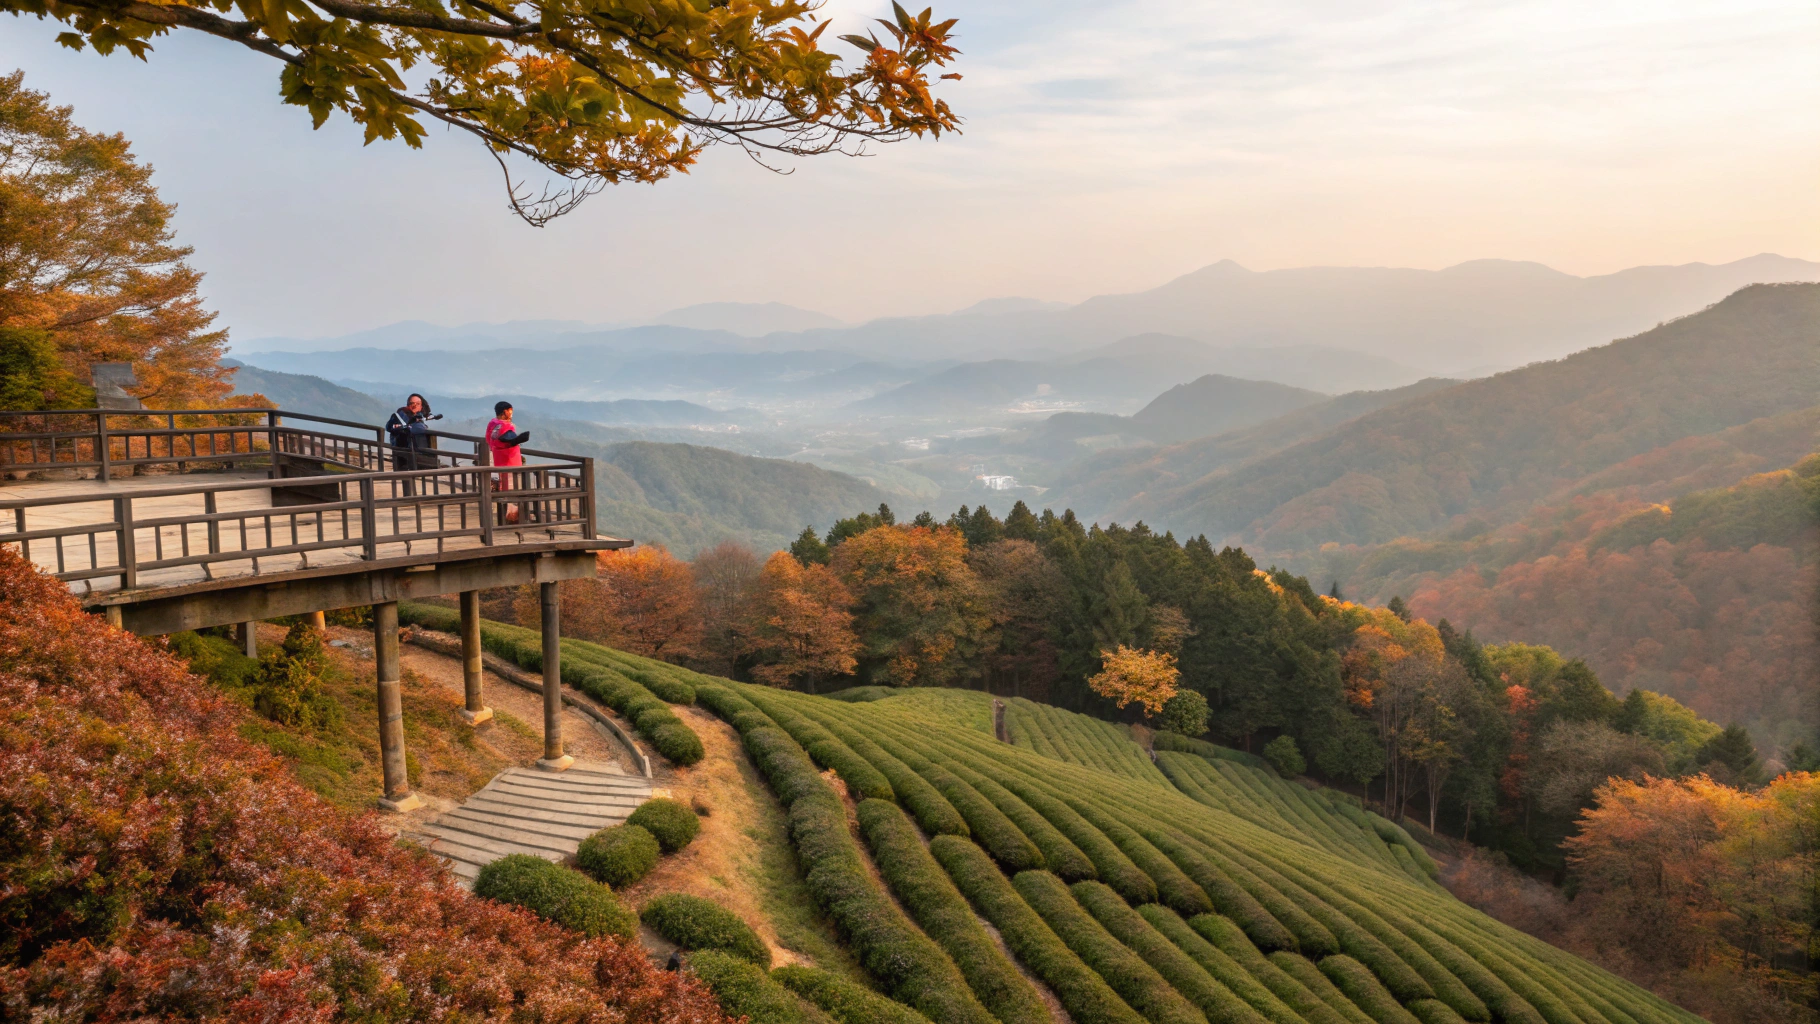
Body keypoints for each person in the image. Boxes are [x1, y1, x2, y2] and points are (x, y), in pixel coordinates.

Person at [484, 401, 531, 524]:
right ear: (505, 411)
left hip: (498, 459)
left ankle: (503, 517)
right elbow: (509, 440)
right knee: (512, 490)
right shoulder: (507, 426)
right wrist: (518, 440)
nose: (512, 413)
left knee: (502, 488)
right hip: (510, 461)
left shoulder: (492, 424)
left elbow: (489, 440)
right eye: (511, 410)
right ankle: (512, 518)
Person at [385, 393, 440, 495]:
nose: (414, 405)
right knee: (407, 469)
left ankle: (415, 495)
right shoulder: (401, 415)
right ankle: (410, 496)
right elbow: (389, 427)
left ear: (421, 405)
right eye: (412, 403)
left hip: (416, 451)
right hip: (405, 452)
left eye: (417, 403)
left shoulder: (420, 416)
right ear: (407, 405)